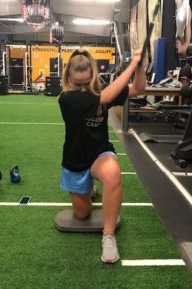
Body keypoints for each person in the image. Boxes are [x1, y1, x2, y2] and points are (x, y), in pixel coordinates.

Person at [58, 48, 146, 263]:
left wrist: (141, 67)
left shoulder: (99, 92)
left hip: (99, 153)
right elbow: (106, 97)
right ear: (69, 78)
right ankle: (90, 190)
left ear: (93, 77)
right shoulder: (67, 98)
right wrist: (131, 65)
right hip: (75, 160)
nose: (81, 88)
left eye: (86, 83)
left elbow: (138, 89)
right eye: (77, 83)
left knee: (114, 173)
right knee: (82, 214)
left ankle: (108, 236)